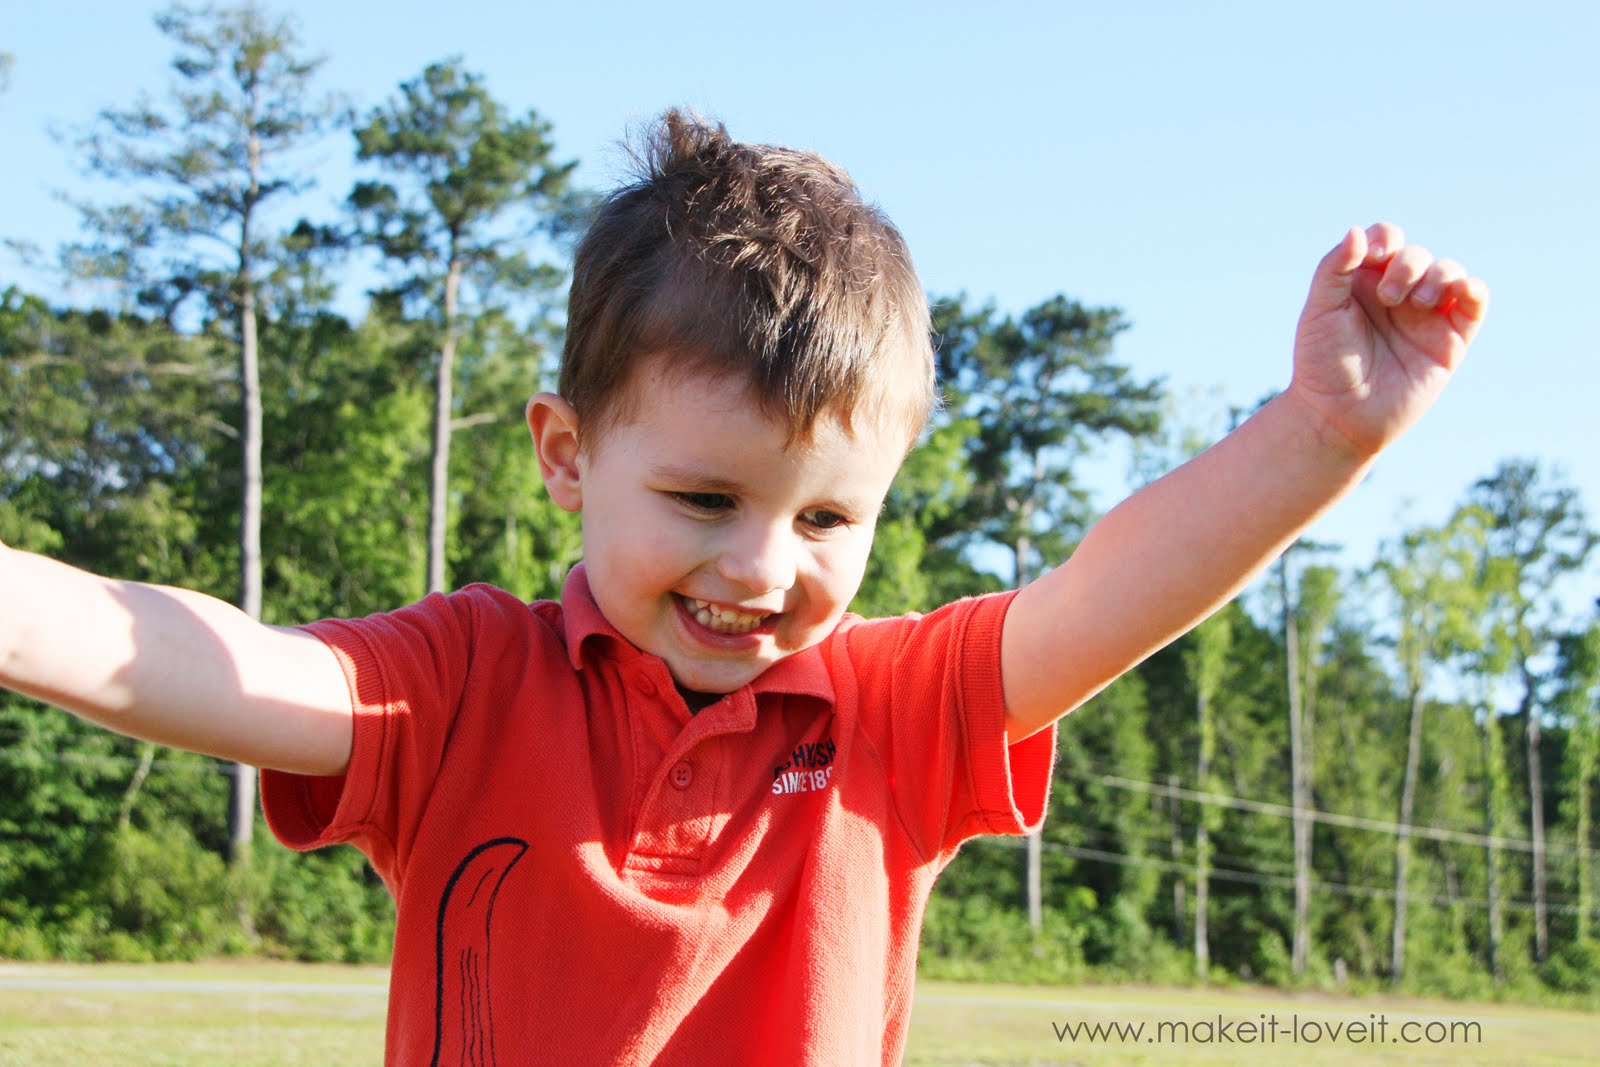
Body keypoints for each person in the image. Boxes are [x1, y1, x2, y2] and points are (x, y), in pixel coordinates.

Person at [0, 110, 1488, 1065]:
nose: (762, 565)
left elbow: (1111, 591)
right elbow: (209, 655)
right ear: (567, 454)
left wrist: (1323, 434)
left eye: (828, 516)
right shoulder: (465, 683)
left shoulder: (893, 711)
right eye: (705, 500)